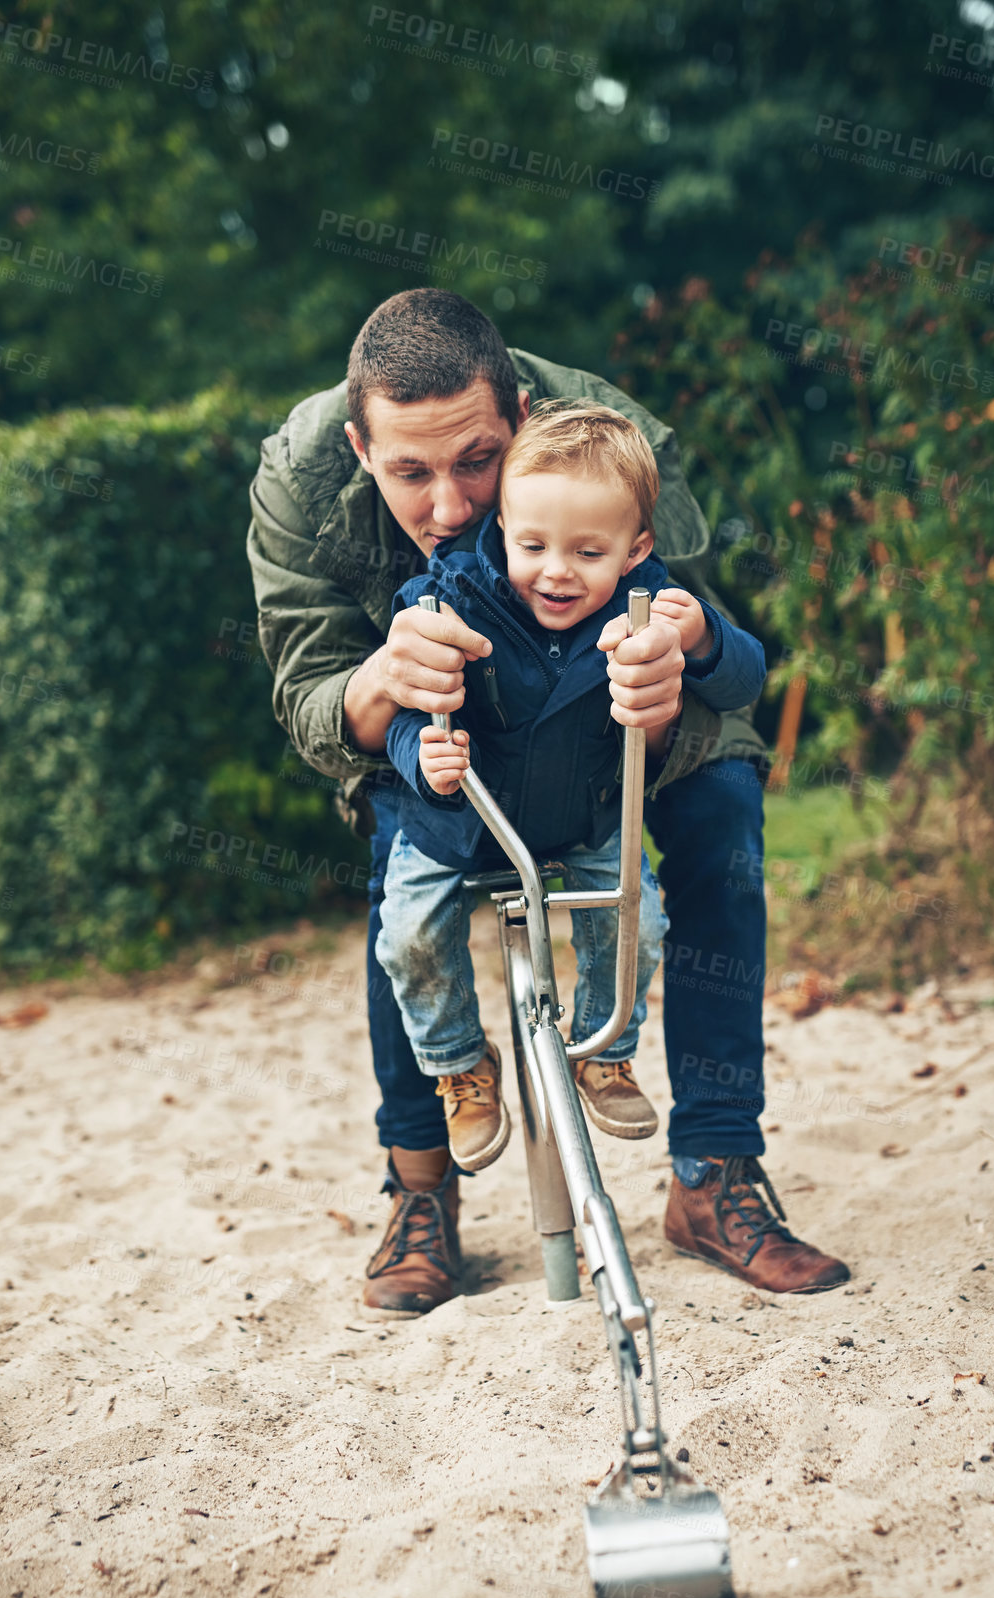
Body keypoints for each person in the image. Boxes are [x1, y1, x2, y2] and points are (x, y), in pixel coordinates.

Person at [247, 286, 850, 1315]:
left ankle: (714, 1174)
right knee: (405, 858)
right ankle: (422, 1189)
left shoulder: (614, 439)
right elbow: (307, 699)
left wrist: (662, 688)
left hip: (615, 720)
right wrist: (386, 680)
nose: (449, 506)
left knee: (721, 816)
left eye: (477, 460)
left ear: (520, 414)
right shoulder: (298, 483)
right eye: (410, 472)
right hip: (439, 737)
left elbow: (717, 652)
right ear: (358, 446)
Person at [375, 401, 765, 1177]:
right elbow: (399, 718)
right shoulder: (445, 596)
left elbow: (745, 679)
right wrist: (424, 757)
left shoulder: (648, 604)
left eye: (588, 551)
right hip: (463, 818)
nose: (555, 570)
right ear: (502, 527)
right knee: (409, 932)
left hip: (583, 815)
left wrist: (700, 639)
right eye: (532, 545)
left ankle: (604, 1053)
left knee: (639, 922)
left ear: (634, 549)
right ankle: (460, 1065)